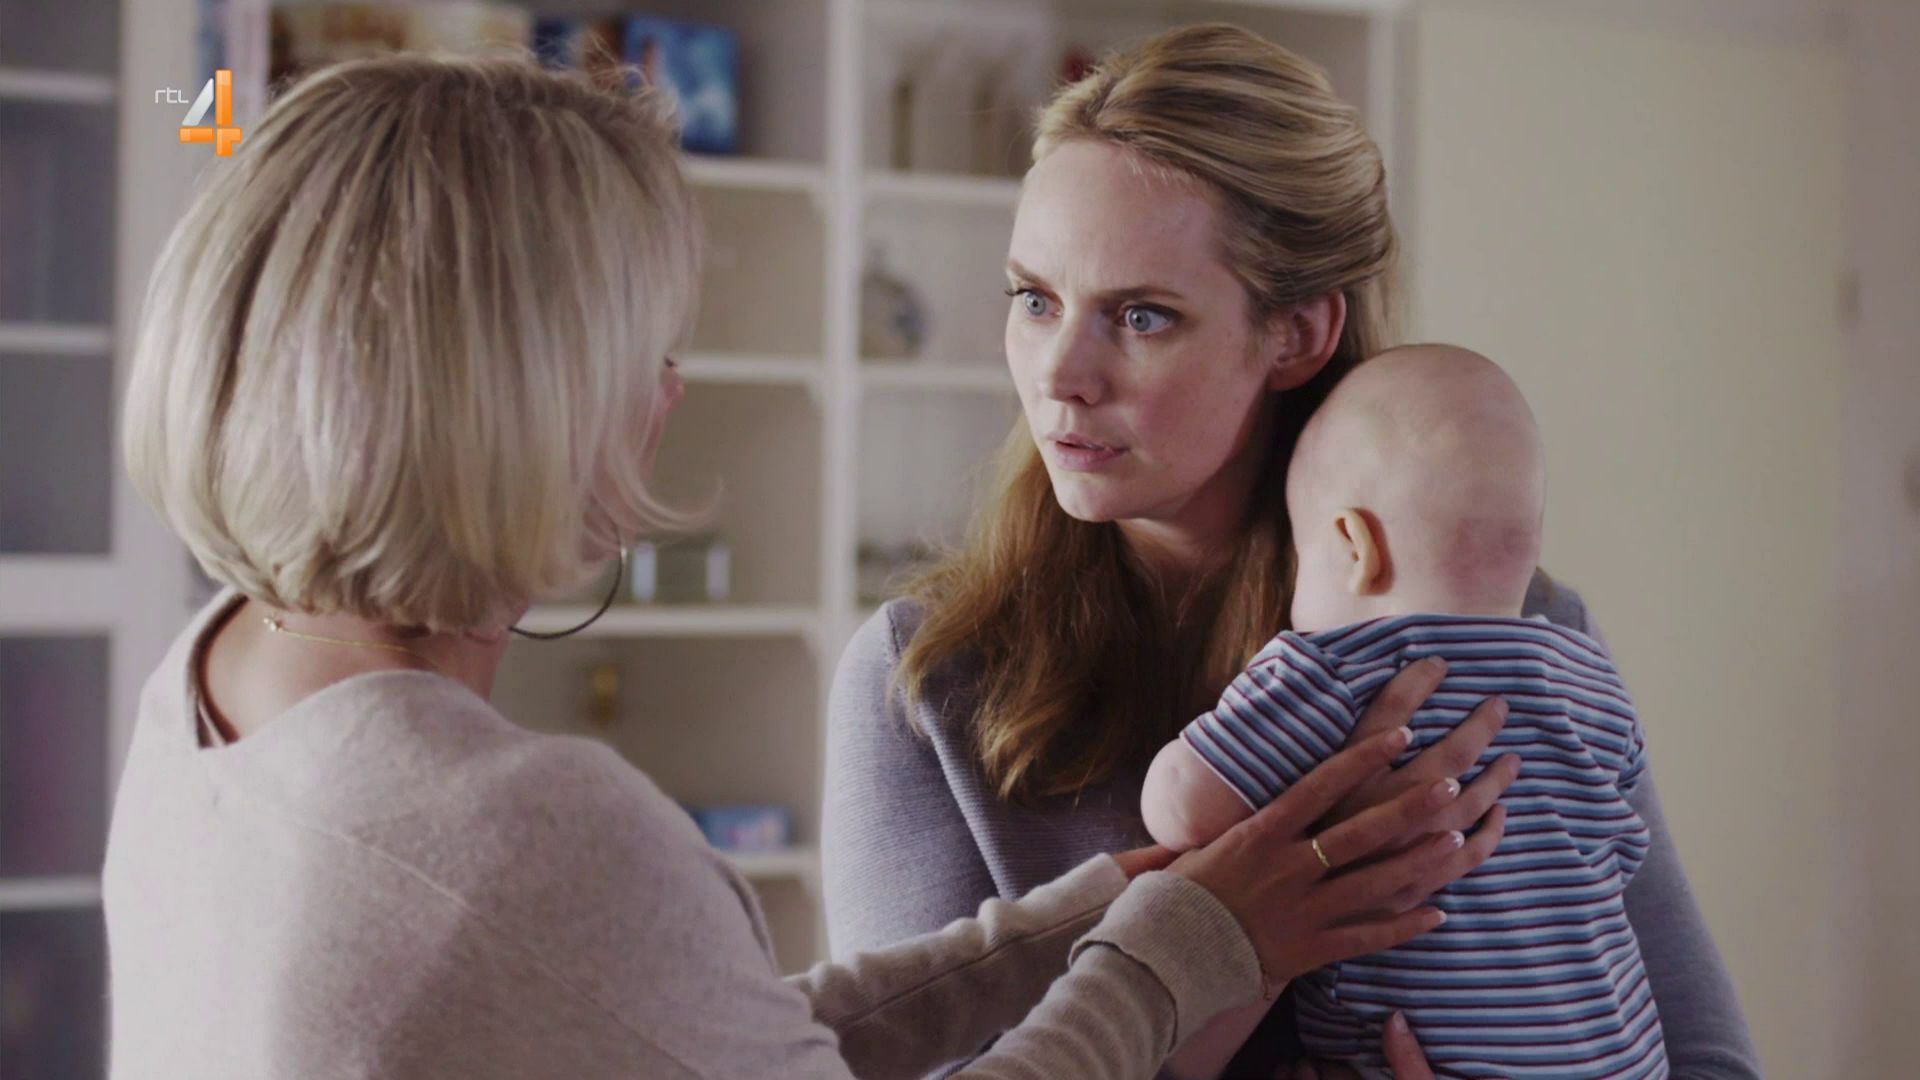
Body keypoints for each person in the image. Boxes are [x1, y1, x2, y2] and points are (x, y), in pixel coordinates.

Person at [101, 52, 1507, 1080]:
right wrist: (1186, 945)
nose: (668, 395)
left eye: (1140, 314)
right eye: (647, 351)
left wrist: (1104, 914)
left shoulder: (207, 687)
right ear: (508, 400)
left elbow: (722, 1039)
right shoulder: (535, 835)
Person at [822, 24, 1759, 1078]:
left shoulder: (1519, 636)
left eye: (1142, 316)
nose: (1060, 375)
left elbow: (1709, 1058)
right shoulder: (925, 680)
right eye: (1034, 300)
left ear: (1299, 335)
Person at [1143, 345, 1666, 1077]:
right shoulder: (1588, 677)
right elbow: (1623, 848)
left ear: (1353, 546)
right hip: (1619, 1056)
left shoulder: (1342, 665)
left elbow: (1185, 810)